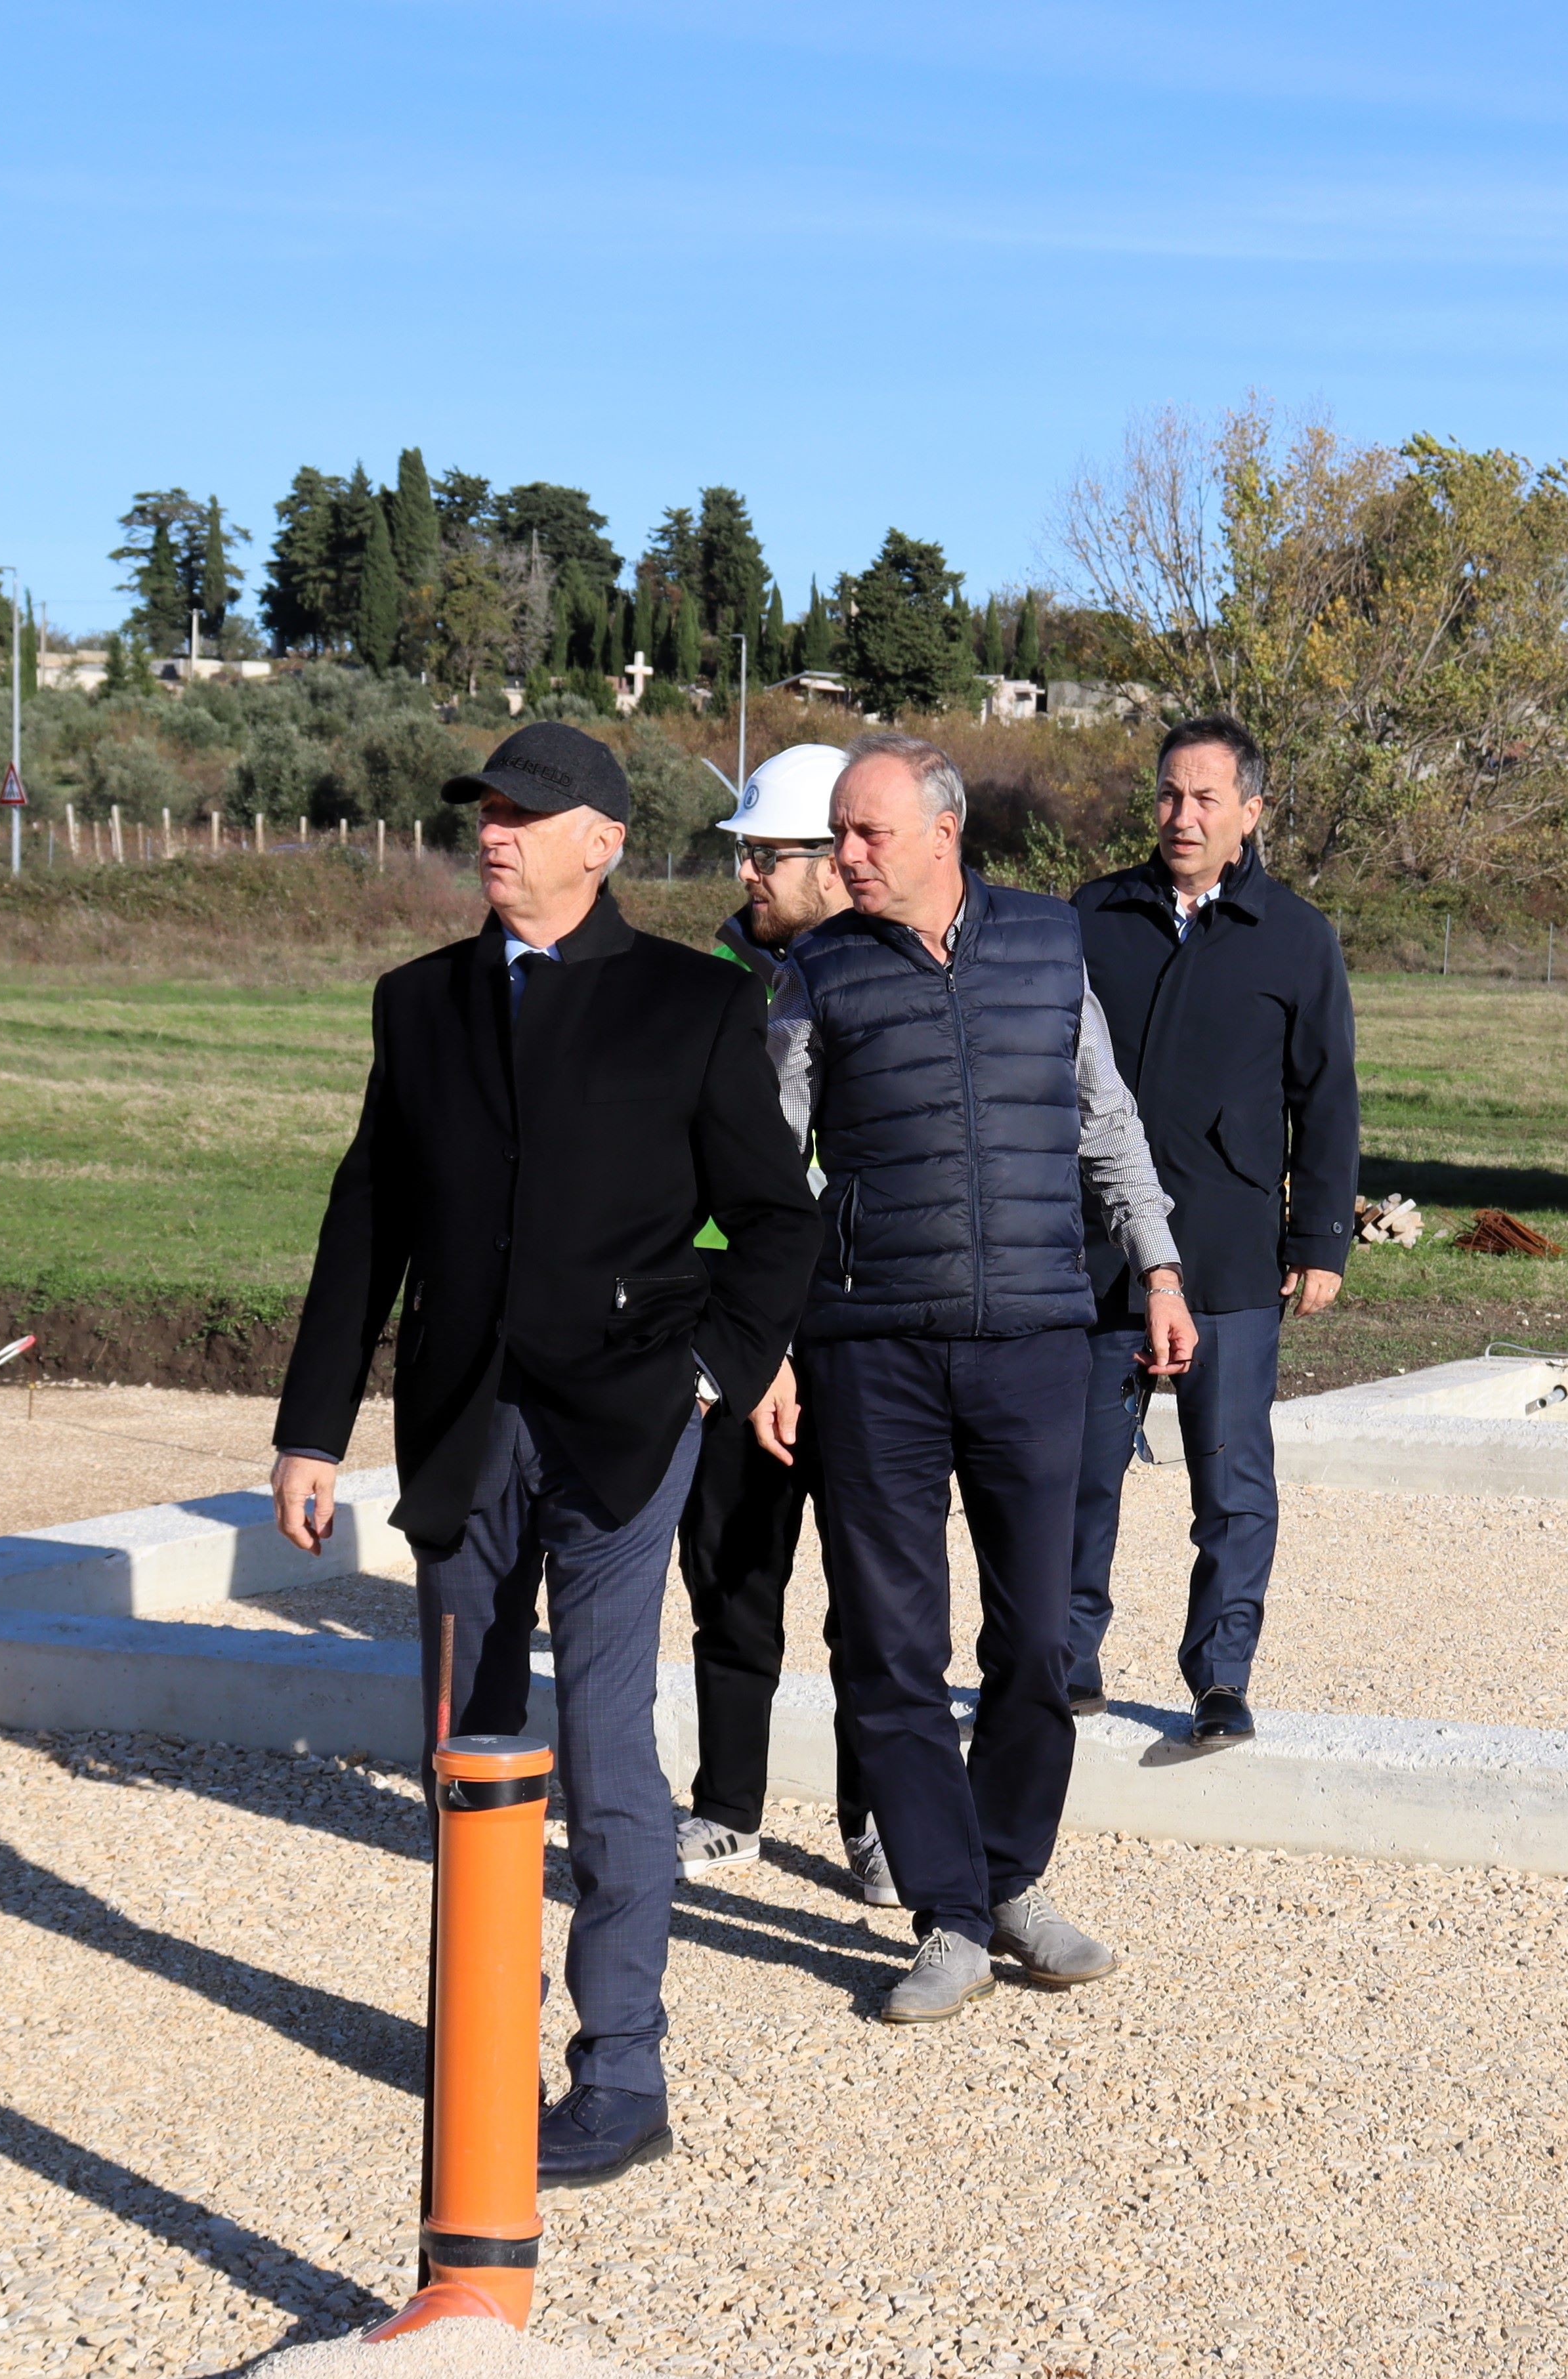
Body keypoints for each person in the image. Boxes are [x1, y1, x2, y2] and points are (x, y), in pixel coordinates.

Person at [270, 720, 817, 2187]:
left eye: (526, 811)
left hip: (625, 1428)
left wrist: (715, 1368)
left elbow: (779, 1224)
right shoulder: (419, 1005)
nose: (494, 832)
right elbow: (364, 1227)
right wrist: (310, 1430)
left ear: (605, 839)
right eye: (484, 811)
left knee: (606, 1752)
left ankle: (620, 2072)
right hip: (460, 1432)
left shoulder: (696, 1006)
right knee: (465, 1744)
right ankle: (478, 2037)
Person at [750, 731, 1197, 2025]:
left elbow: (1105, 1119)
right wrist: (770, 1343)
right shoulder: (815, 973)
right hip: (869, 1347)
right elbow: (774, 1174)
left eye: (864, 833)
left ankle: (1011, 1881)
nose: (842, 857)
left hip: (1038, 1342)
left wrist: (1156, 1266)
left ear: (943, 832)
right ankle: (945, 1915)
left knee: (1041, 1636)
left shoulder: (1052, 950)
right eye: (837, 833)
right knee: (889, 1643)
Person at [1065, 717, 1359, 1746]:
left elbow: (1327, 1099)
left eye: (1203, 799)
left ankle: (1221, 1675)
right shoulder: (1093, 917)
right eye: (1166, 795)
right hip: (1095, 1249)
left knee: (1231, 1479)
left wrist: (1319, 1237)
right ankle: (1068, 1655)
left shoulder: (1297, 937)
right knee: (1077, 1468)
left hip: (1232, 1251)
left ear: (1251, 812)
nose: (1181, 817)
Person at [669, 744, 895, 1905]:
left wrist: (805, 1347)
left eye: (773, 853)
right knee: (730, 1572)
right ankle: (728, 1807)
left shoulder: (881, 975)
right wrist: (755, 1349)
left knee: (870, 1590)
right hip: (730, 1318)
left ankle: (874, 1819)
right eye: (747, 852)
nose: (751, 870)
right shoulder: (703, 981)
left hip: (858, 1332)